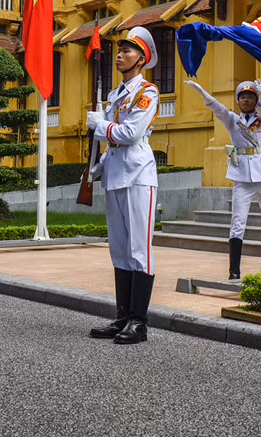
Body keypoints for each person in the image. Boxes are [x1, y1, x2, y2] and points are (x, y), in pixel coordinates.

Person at [86, 26, 159, 345]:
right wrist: (98, 166)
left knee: (138, 249)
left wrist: (99, 125)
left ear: (142, 59)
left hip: (139, 174)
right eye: (119, 50)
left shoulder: (148, 92)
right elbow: (113, 141)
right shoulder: (115, 95)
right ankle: (122, 316)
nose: (120, 54)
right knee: (119, 249)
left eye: (128, 51)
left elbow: (130, 134)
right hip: (115, 172)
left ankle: (139, 323)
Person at [184, 77, 261, 279]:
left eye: (250, 97)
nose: (246, 100)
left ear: (255, 101)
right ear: (238, 100)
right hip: (241, 175)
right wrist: (202, 92)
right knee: (238, 222)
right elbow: (217, 108)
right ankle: (234, 271)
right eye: (243, 97)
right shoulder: (233, 119)